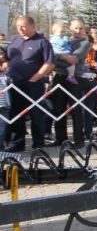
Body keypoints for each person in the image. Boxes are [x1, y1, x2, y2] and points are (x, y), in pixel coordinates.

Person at [5, 16, 54, 152]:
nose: (20, 29)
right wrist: (5, 65)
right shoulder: (15, 40)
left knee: (35, 114)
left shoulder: (42, 42)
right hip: (15, 83)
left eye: (24, 26)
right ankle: (17, 143)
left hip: (33, 84)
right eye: (18, 26)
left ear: (33, 26)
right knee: (16, 114)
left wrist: (35, 78)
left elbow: (49, 63)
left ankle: (38, 143)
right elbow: (9, 59)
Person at [51, 18, 91, 146]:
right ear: (70, 28)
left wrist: (58, 58)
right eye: (75, 28)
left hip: (75, 78)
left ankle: (78, 140)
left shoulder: (85, 43)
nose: (78, 31)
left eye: (81, 28)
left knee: (75, 110)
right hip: (59, 77)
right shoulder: (63, 40)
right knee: (59, 109)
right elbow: (51, 56)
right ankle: (60, 138)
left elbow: (74, 59)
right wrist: (62, 57)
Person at [81, 35, 97, 140]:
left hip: (92, 82)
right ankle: (78, 132)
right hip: (79, 82)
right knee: (79, 109)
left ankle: (88, 132)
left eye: (90, 44)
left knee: (89, 109)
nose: (88, 46)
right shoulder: (78, 52)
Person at [0, 48, 10, 150]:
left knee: (2, 126)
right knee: (2, 127)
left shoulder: (5, 75)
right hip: (4, 104)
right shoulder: (5, 76)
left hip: (4, 104)